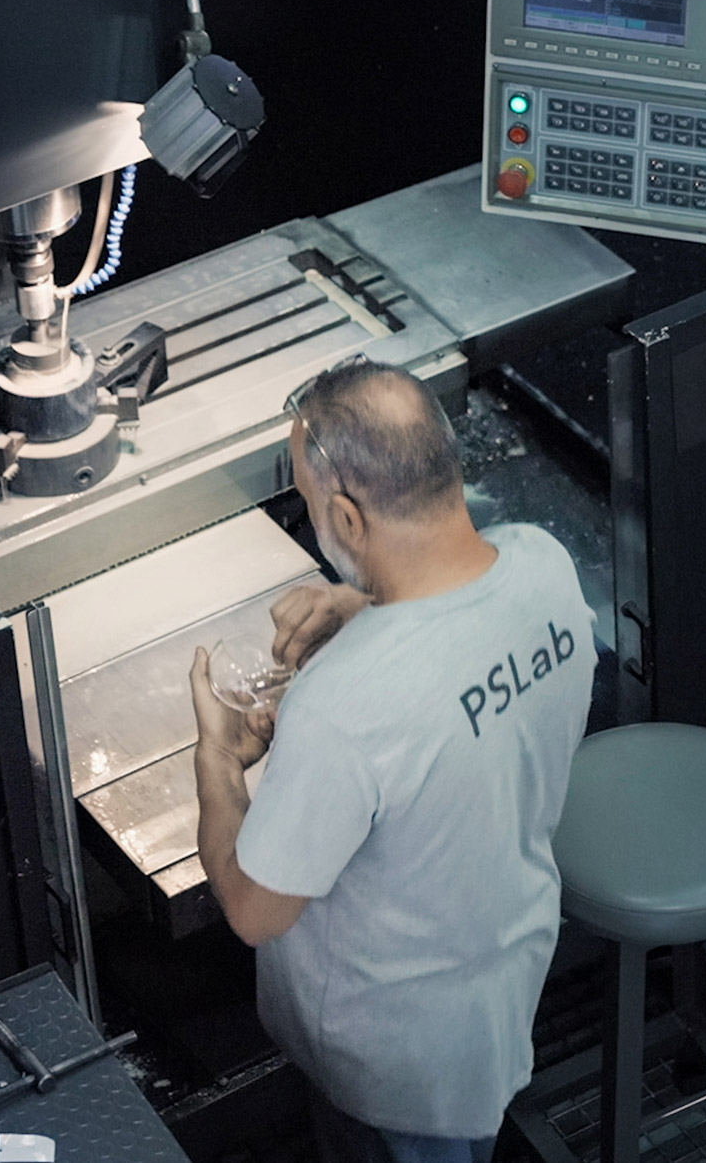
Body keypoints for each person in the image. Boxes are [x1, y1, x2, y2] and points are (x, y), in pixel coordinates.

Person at [190, 357, 595, 1163]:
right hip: (498, 986)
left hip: (389, 1068)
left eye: (308, 504)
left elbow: (252, 909)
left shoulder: (344, 706)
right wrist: (369, 607)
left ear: (345, 516)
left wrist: (218, 760)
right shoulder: (544, 565)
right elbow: (458, 665)